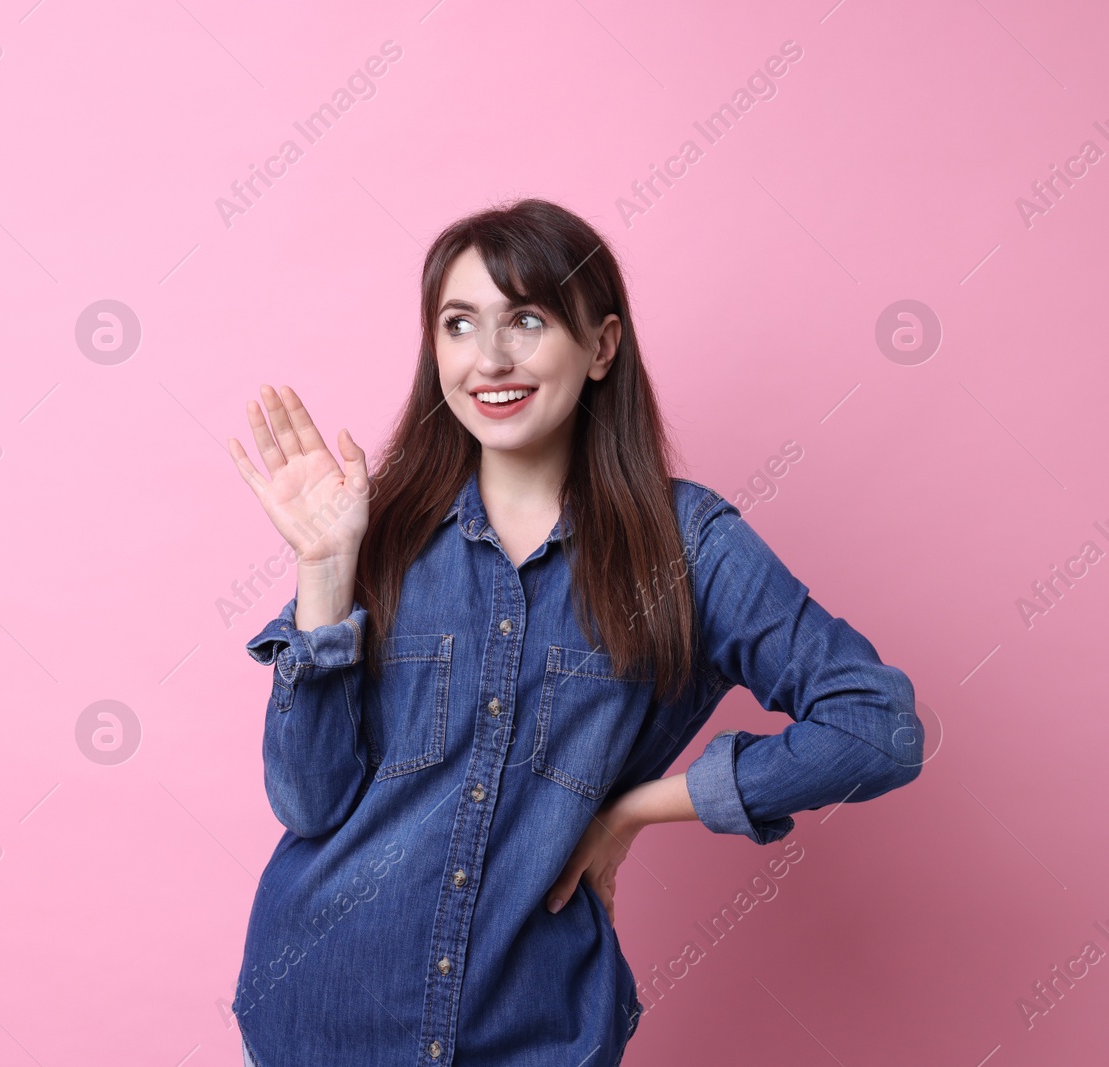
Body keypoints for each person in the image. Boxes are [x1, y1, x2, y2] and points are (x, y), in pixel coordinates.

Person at [224, 198, 923, 1067]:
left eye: (526, 318)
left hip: (535, 1032)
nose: (490, 358)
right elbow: (308, 803)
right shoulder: (378, 529)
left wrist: (635, 808)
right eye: (458, 324)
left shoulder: (688, 547)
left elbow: (877, 728)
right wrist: (325, 575)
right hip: (322, 1018)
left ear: (601, 346)